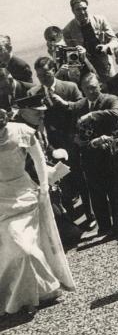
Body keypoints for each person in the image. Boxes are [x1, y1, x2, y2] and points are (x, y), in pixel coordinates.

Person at [0, 108, 76, 315]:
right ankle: (20, 293)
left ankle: (37, 292)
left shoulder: (21, 131)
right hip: (1, 201)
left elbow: (39, 158)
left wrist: (44, 186)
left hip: (24, 196)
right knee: (11, 250)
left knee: (25, 247)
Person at [65, 74, 118, 235]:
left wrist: (92, 115)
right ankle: (104, 227)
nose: (91, 91)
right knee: (96, 194)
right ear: (82, 89)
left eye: (94, 87)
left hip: (110, 153)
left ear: (100, 86)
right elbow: (71, 130)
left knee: (114, 190)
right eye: (87, 88)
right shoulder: (78, 106)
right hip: (90, 156)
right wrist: (76, 139)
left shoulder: (110, 99)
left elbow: (117, 113)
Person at [62, 0, 118, 82]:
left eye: (84, 8)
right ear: (73, 11)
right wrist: (80, 55)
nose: (82, 12)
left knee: (113, 87)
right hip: (85, 69)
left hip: (104, 63)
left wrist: (106, 47)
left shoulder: (100, 20)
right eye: (78, 10)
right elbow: (72, 59)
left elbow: (115, 41)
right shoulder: (68, 30)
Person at [29, 57, 82, 151]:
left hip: (72, 138)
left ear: (53, 70)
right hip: (50, 143)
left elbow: (83, 108)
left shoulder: (71, 87)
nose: (43, 79)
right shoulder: (32, 93)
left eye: (46, 74)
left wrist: (66, 104)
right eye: (39, 76)